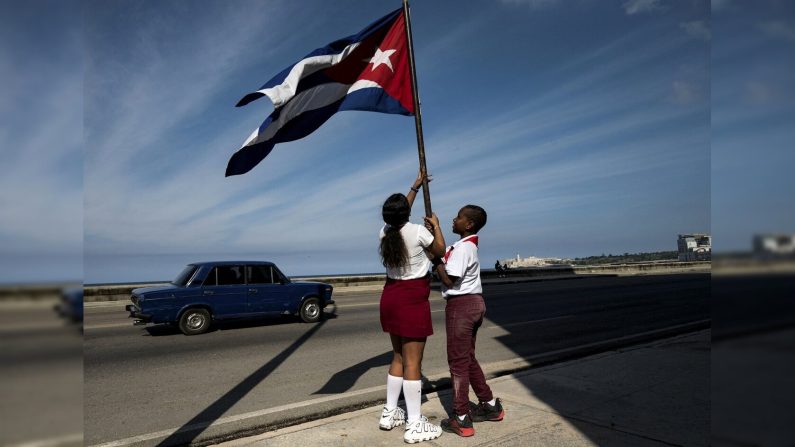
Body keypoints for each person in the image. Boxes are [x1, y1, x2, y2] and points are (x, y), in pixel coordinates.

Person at [424, 205, 505, 438]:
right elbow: (438, 248)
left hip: (461, 305)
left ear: (468, 224)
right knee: (467, 358)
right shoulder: (463, 246)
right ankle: (489, 405)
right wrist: (435, 229)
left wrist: (437, 263)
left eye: (459, 217)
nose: (454, 219)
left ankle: (461, 418)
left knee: (458, 362)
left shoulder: (464, 249)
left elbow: (449, 280)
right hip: (474, 303)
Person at [377, 173, 446, 444]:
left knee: (397, 357)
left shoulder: (385, 232)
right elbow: (439, 250)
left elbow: (398, 216)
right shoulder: (419, 231)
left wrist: (413, 188)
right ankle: (415, 424)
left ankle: (389, 413)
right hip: (412, 300)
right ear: (407, 213)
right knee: (414, 363)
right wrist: (436, 226)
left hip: (390, 297)